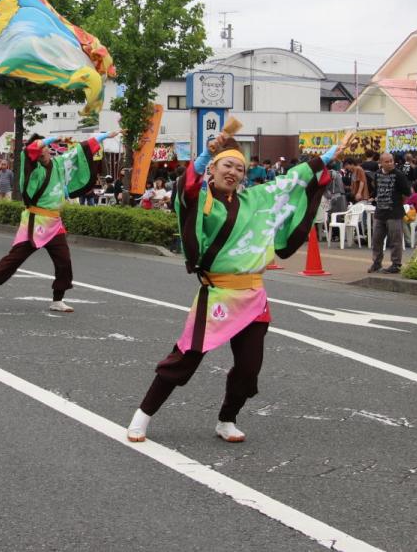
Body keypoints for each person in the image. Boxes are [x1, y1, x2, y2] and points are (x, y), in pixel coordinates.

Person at [125, 121, 343, 444]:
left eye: (240, 169)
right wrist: (202, 157)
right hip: (218, 294)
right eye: (227, 165)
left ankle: (227, 418)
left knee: (249, 368)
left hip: (254, 296)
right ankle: (142, 416)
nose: (234, 173)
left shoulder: (255, 199)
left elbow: (289, 182)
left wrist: (323, 159)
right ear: (213, 169)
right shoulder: (204, 200)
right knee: (186, 357)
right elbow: (185, 192)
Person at [0, 131, 118, 313]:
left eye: (44, 151)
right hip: (35, 221)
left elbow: (80, 150)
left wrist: (105, 136)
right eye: (38, 152)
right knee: (14, 259)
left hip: (54, 223)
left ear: (49, 151)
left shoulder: (59, 163)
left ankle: (57, 299)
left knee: (64, 261)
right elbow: (28, 153)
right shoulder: (33, 168)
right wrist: (47, 141)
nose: (41, 154)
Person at [368, 152, 411, 274]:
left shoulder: (399, 175)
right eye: (386, 161)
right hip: (380, 212)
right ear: (380, 163)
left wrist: (398, 202)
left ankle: (396, 264)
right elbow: (376, 190)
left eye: (391, 161)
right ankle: (376, 263)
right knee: (377, 239)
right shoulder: (377, 175)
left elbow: (407, 192)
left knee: (395, 240)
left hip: (394, 213)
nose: (390, 163)